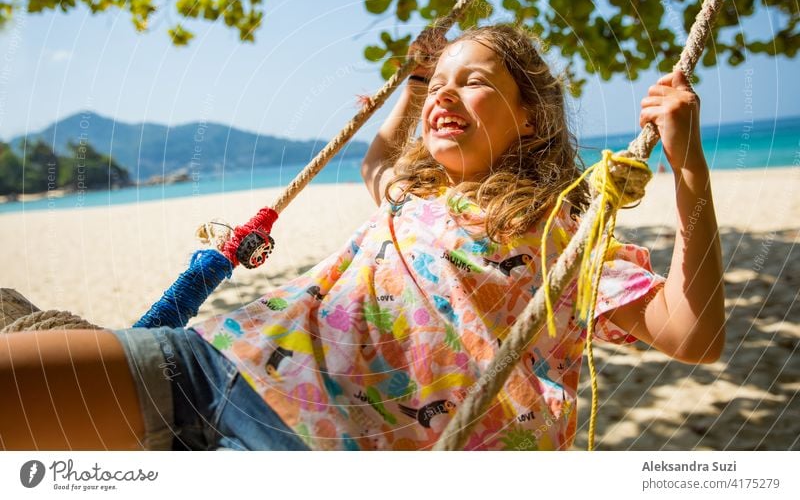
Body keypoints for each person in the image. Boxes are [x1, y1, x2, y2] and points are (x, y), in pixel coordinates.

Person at [0, 24, 725, 451]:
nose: (444, 94)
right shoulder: (416, 198)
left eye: (472, 81)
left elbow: (692, 334)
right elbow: (381, 160)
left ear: (530, 116)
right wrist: (413, 87)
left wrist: (688, 165)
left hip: (315, 451)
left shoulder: (565, 234)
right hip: (212, 363)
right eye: (439, 83)